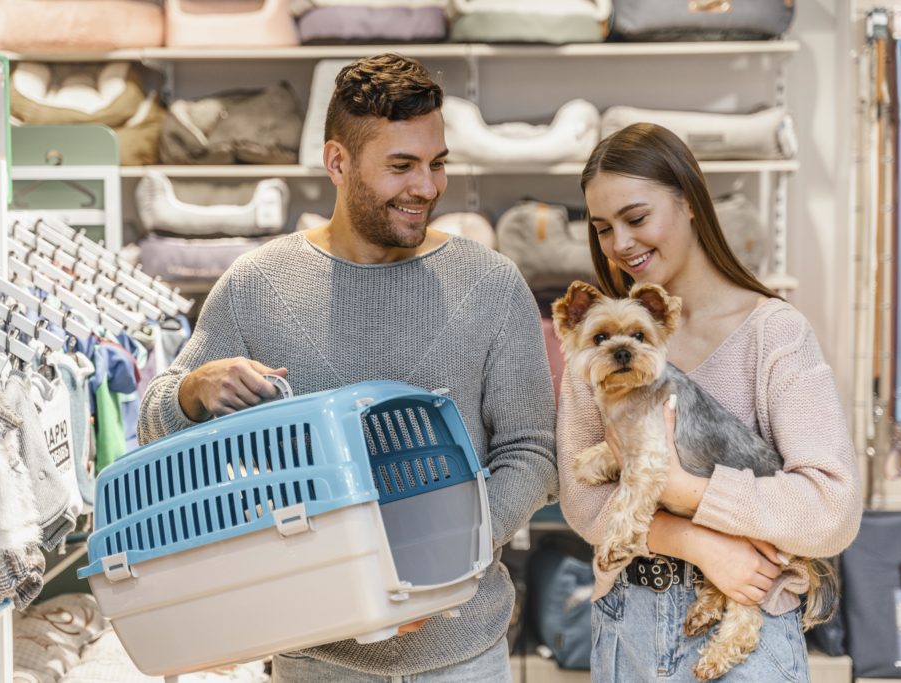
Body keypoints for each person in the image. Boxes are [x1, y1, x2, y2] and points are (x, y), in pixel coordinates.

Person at [138, 53, 558, 681]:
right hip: (313, 655)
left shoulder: (490, 284)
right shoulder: (258, 284)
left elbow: (532, 452)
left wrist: (438, 562)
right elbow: (154, 430)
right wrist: (194, 391)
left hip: (461, 655)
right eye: (401, 166)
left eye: (436, 164)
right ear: (337, 162)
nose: (427, 187)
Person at [557, 123, 862, 682]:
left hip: (751, 635)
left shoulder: (775, 335)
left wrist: (685, 491)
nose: (620, 244)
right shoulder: (600, 348)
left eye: (637, 218)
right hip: (628, 623)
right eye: (602, 228)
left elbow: (831, 511)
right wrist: (695, 542)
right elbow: (581, 501)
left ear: (690, 201)